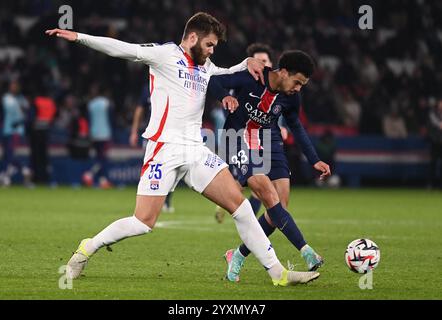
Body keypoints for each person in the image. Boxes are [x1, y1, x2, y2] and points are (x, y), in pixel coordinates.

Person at [46, 12, 319, 286]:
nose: (212, 51)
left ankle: (278, 274)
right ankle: (88, 247)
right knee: (143, 222)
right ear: (192, 37)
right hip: (164, 149)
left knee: (242, 208)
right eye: (210, 44)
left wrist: (246, 61)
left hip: (195, 150)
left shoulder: (206, 66)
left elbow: (226, 74)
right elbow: (123, 49)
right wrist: (79, 37)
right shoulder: (164, 54)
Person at [208, 50, 330, 282]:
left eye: (302, 85)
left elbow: (296, 126)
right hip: (237, 140)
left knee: (279, 209)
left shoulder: (292, 97)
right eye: (297, 82)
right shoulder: (251, 77)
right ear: (283, 72)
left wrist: (314, 159)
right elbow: (214, 80)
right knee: (267, 194)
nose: (298, 88)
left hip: (268, 142)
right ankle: (306, 251)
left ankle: (238, 254)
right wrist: (224, 96)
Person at [214, 43, 279, 223]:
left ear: (271, 63)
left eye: (265, 61)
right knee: (247, 182)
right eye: (258, 61)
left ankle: (245, 218)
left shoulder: (275, 87)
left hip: (262, 139)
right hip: (239, 138)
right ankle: (231, 207)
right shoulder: (243, 82)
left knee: (256, 183)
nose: (262, 65)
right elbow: (230, 109)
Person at [130, 83, 174, 212]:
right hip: (152, 135)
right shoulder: (148, 87)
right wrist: (134, 131)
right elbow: (139, 110)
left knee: (169, 167)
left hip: (170, 134)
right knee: (151, 168)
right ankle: (147, 201)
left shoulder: (172, 83)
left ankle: (166, 201)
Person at [0, 80, 31, 186]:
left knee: (10, 154)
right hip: (8, 130)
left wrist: (22, 117)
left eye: (15, 86)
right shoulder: (7, 98)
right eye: (12, 86)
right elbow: (13, 110)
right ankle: (24, 171)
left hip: (17, 132)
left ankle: (7, 177)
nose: (14, 88)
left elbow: (27, 111)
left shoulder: (21, 99)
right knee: (7, 155)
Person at [82, 84, 113, 189]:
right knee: (102, 159)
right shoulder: (106, 103)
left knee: (99, 157)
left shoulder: (90, 104)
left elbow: (88, 120)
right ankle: (89, 174)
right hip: (104, 134)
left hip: (94, 134)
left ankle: (103, 181)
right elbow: (110, 118)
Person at [427, 98, 442, 189]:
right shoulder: (433, 113)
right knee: (433, 163)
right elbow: (437, 124)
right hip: (435, 142)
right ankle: (430, 184)